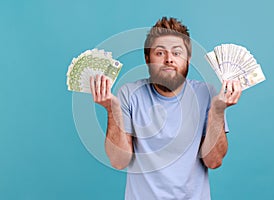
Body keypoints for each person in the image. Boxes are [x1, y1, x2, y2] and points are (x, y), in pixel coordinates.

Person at [90, 17, 242, 200]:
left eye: (177, 53)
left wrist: (218, 111)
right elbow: (118, 161)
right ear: (147, 58)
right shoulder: (129, 94)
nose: (169, 60)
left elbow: (214, 161)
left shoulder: (207, 94)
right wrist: (111, 110)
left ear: (188, 59)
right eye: (160, 53)